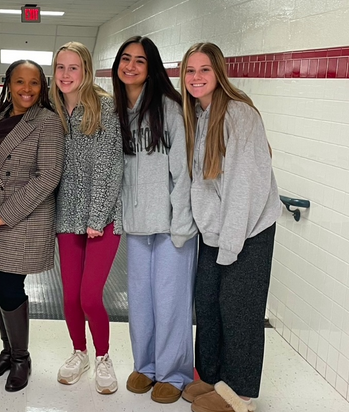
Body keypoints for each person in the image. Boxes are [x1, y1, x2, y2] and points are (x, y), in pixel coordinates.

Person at [179, 42, 282, 412]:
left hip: (248, 230)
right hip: (215, 231)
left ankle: (240, 395)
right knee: (207, 304)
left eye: (204, 69)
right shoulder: (196, 114)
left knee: (239, 311)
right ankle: (210, 376)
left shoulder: (240, 115)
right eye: (190, 70)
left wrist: (231, 244)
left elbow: (245, 188)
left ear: (219, 73)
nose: (196, 77)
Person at [112, 36, 198, 403]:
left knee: (171, 300)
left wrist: (181, 226)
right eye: (125, 59)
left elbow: (183, 172)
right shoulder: (116, 112)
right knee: (141, 301)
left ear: (152, 69)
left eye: (140, 61)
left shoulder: (170, 109)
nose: (131, 66)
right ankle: (146, 366)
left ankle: (174, 373)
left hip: (169, 226)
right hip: (136, 226)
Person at [0, 59, 64, 392]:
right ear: (8, 84)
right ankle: (8, 351)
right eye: (20, 82)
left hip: (24, 218)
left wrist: (5, 214)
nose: (27, 89)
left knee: (11, 288)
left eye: (34, 83)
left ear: (43, 87)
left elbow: (48, 176)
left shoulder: (48, 122)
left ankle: (21, 358)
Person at [51, 41, 124, 395]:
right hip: (66, 215)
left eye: (73, 67)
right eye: (60, 67)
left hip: (103, 219)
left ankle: (103, 356)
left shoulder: (105, 108)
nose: (66, 75)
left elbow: (112, 167)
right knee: (69, 298)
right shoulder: (50, 110)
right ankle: (78, 352)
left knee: (90, 297)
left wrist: (97, 216)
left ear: (86, 71)